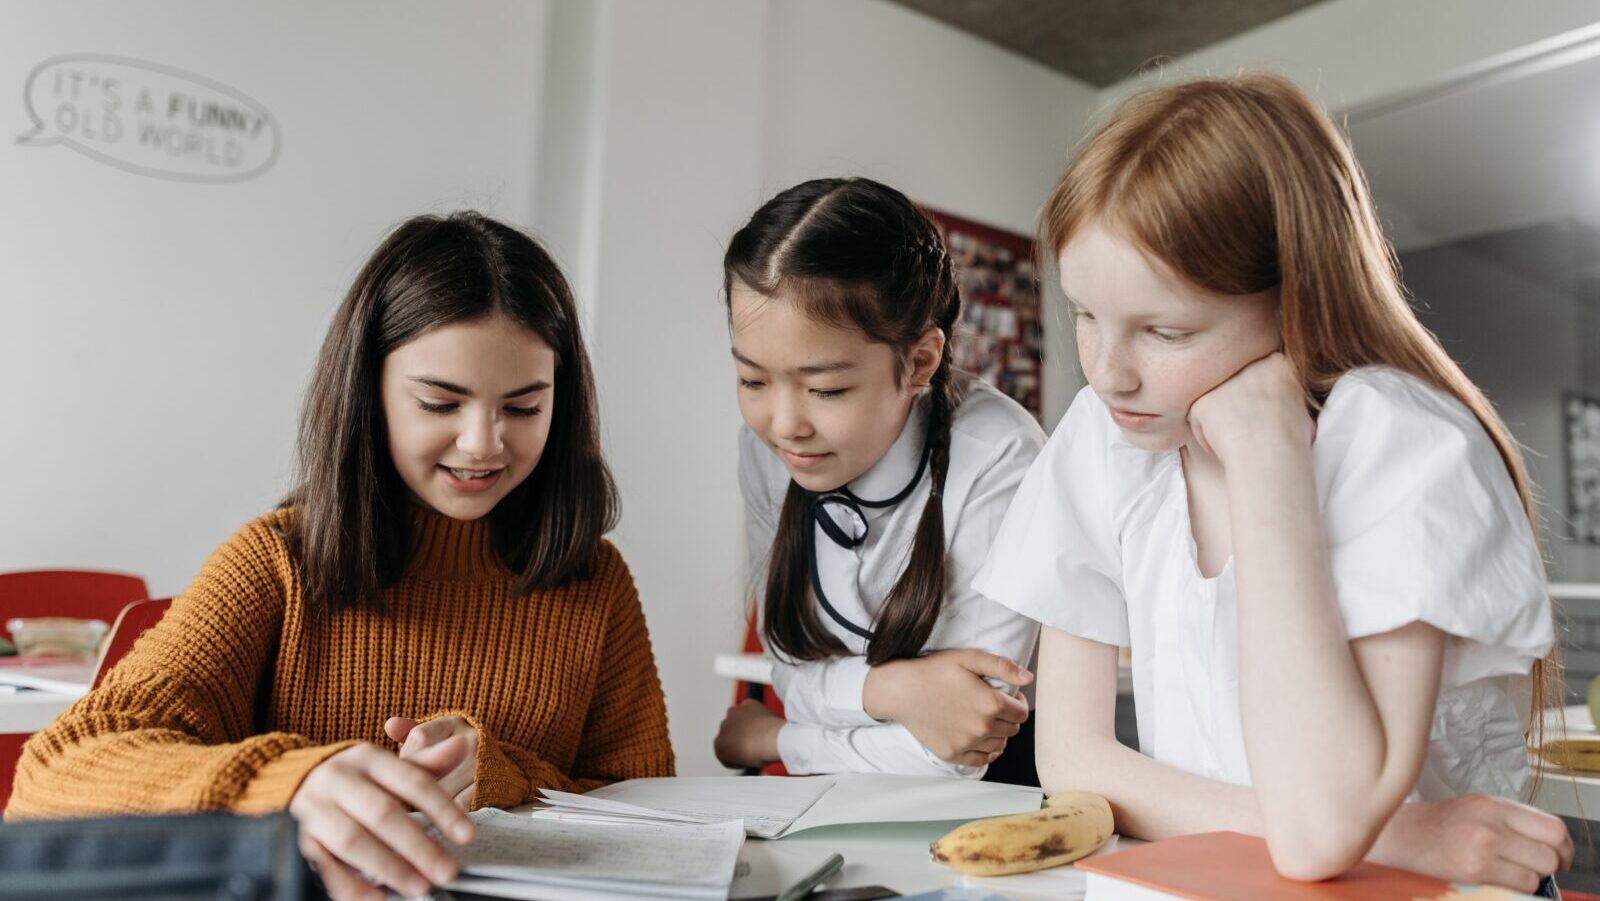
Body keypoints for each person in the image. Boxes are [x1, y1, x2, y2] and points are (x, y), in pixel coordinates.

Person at [975, 73, 1573, 893]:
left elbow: (1318, 829)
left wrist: (1265, 451)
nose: (1109, 374)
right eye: (1084, 313)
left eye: (1165, 329)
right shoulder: (1102, 441)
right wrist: (1401, 835)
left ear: (1296, 293)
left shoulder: (1400, 442)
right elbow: (1074, 760)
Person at [8, 212, 675, 901]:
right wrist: (291, 782)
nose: (483, 442)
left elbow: (655, 816)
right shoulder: (276, 564)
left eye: (524, 407)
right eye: (440, 402)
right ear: (371, 394)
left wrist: (501, 776)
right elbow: (53, 776)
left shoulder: (594, 581)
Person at [713, 177, 1045, 781]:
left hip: (981, 805)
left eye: (826, 389)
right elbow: (788, 664)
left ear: (920, 362)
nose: (785, 426)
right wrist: (894, 693)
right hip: (828, 801)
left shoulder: (1000, 456)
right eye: (753, 381)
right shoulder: (763, 453)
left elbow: (958, 750)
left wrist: (776, 739)